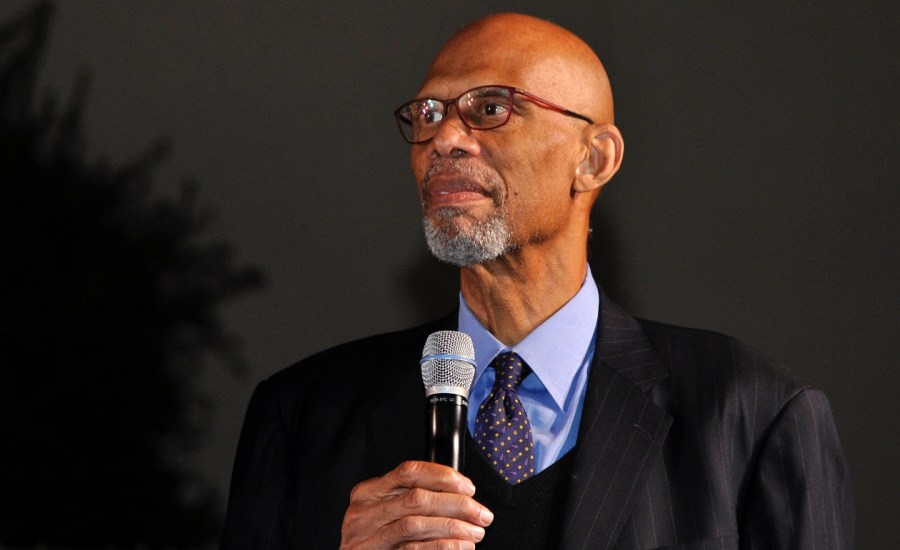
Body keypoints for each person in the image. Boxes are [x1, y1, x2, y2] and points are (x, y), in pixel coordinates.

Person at [221, 13, 853, 550]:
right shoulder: (304, 414)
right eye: (427, 114)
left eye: (490, 108)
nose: (443, 138)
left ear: (594, 158)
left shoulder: (750, 413)